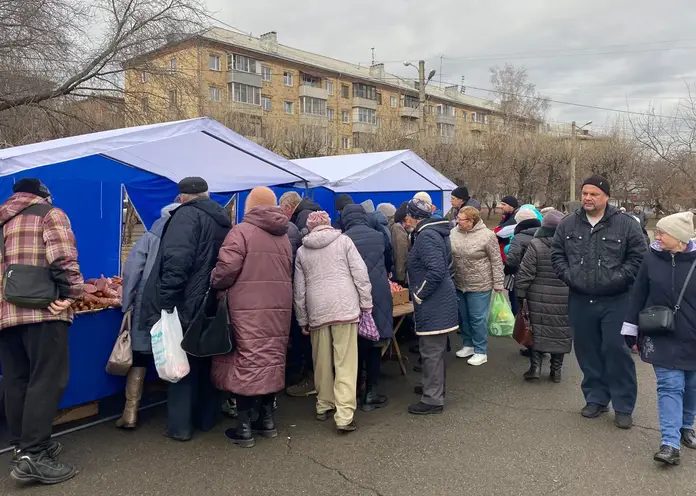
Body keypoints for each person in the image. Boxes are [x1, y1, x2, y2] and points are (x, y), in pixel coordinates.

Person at [0, 178, 83, 484]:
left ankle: (23, 446)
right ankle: (33, 457)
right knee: (47, 379)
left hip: (4, 315)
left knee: (17, 380)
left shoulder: (2, 220)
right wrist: (71, 295)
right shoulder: (49, 213)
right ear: (42, 195)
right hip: (42, 310)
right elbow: (63, 258)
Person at [140, 177, 232, 441]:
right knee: (206, 360)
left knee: (181, 364)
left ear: (181, 197)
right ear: (207, 194)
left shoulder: (186, 216)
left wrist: (166, 301)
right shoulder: (223, 218)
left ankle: (181, 427)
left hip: (186, 302)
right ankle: (206, 419)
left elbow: (176, 261)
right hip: (212, 301)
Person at [551, 175, 646, 429]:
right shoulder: (568, 224)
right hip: (580, 299)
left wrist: (618, 279)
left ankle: (624, 405)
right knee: (587, 351)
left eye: (594, 194)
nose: (588, 198)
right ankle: (596, 398)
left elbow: (638, 258)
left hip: (616, 300)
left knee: (616, 350)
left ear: (606, 197)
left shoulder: (626, 224)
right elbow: (557, 254)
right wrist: (570, 276)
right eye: (585, 193)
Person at [210, 187, 293, 448]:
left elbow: (226, 270)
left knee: (246, 362)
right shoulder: (284, 236)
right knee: (270, 360)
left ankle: (244, 427)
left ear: (250, 206)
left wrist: (213, 281)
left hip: (246, 308)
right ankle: (267, 421)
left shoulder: (241, 232)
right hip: (278, 308)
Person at [621, 212, 696, 465]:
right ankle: (669, 443)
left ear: (679, 237)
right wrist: (630, 327)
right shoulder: (651, 258)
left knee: (692, 386)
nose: (658, 236)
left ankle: (687, 425)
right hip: (660, 333)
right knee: (670, 386)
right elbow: (638, 293)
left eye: (663, 232)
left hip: (693, 335)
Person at [294, 211, 373, 432]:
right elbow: (360, 273)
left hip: (317, 308)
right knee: (345, 361)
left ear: (310, 228)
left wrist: (302, 318)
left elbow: (299, 290)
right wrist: (366, 302)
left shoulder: (301, 251)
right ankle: (344, 415)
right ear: (328, 224)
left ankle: (323, 404)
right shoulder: (344, 241)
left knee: (320, 359)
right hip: (345, 307)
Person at [118, 202, 180, 429]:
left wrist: (126, 303)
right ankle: (173, 411)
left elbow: (133, 269)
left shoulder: (151, 234)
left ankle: (130, 412)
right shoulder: (190, 234)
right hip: (175, 301)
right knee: (174, 351)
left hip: (147, 299)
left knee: (140, 354)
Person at [403, 199, 458, 414]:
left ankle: (433, 399)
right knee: (435, 349)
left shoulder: (426, 236)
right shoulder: (433, 232)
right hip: (439, 300)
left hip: (434, 301)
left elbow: (436, 270)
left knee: (431, 351)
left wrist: (418, 294)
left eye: (408, 215)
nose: (405, 219)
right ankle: (432, 388)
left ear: (415, 217)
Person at [341, 204, 393, 411]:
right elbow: (390, 262)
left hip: (352, 294)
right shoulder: (379, 235)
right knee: (374, 342)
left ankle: (353, 391)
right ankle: (371, 393)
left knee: (353, 344)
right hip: (379, 292)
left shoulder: (342, 240)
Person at [515, 210, 572, 382]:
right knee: (561, 332)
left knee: (536, 330)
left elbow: (526, 272)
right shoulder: (572, 245)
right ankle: (556, 371)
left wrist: (520, 294)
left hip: (537, 296)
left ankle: (535, 368)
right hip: (565, 296)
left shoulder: (536, 244)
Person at [450, 206, 505, 366]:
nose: (458, 222)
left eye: (462, 220)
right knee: (464, 317)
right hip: (459, 282)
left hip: (480, 284)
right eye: (458, 219)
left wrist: (498, 283)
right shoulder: (454, 232)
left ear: (471, 220)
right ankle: (468, 344)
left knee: (477, 318)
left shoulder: (487, 236)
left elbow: (496, 260)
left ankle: (481, 351)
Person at [278, 191, 315, 398]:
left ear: (289, 207)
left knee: (301, 333)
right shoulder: (308, 214)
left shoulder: (299, 221)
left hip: (299, 288)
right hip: (313, 291)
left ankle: (300, 374)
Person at [504, 207, 542, 277]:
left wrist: (506, 271)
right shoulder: (544, 235)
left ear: (519, 222)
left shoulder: (518, 238)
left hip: (524, 276)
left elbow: (512, 262)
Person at [390, 202, 410, 286]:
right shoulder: (398, 229)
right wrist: (401, 278)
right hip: (400, 277)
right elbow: (401, 254)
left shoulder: (396, 227)